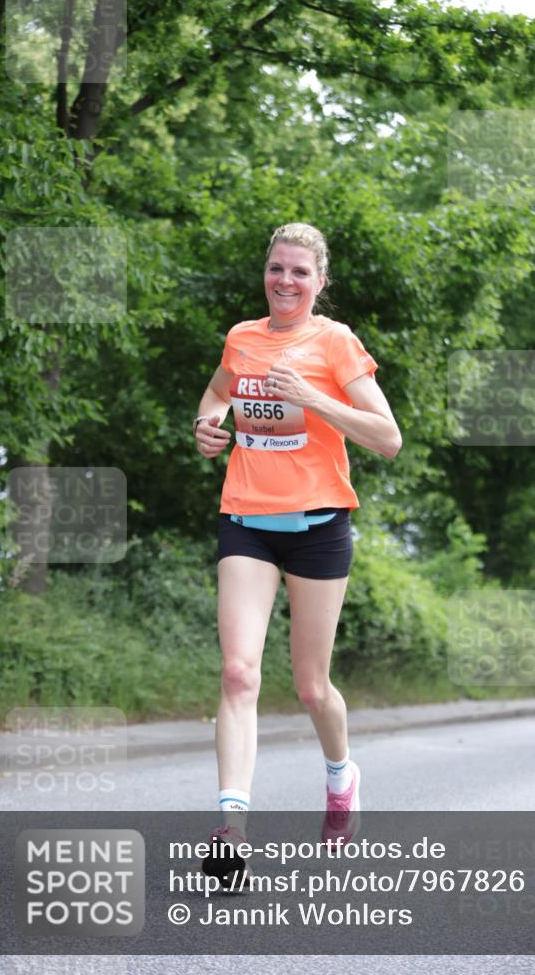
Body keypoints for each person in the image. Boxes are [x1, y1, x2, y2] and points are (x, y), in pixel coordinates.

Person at [193, 223, 401, 875]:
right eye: (276, 268)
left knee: (312, 689)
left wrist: (313, 398)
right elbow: (217, 393)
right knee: (237, 671)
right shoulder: (242, 336)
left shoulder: (334, 342)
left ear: (319, 281)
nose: (285, 281)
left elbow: (387, 438)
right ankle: (231, 829)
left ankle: (341, 777)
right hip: (247, 519)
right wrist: (208, 424)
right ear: (266, 271)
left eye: (299, 273)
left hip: (317, 527)